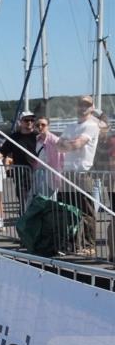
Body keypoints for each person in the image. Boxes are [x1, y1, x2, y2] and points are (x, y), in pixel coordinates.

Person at [56, 96, 102, 250]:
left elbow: (77, 144)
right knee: (69, 211)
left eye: (87, 105)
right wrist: (69, 144)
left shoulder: (92, 126)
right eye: (81, 104)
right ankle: (73, 244)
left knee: (86, 212)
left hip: (83, 173)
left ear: (92, 107)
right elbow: (58, 146)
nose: (84, 107)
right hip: (68, 173)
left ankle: (89, 245)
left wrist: (67, 144)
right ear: (77, 107)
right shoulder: (70, 126)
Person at [0, 111, 38, 210]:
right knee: (23, 199)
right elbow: (2, 152)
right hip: (21, 174)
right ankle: (24, 220)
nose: (30, 122)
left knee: (37, 200)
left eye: (32, 120)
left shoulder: (37, 136)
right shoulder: (14, 137)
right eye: (27, 120)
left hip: (37, 172)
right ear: (20, 122)